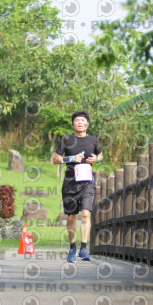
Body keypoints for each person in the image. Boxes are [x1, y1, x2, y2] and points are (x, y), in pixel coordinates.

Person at [52, 110, 103, 263]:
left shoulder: (93, 140)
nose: (80, 122)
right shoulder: (67, 139)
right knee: (72, 216)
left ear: (87, 123)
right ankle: (72, 247)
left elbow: (100, 155)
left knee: (86, 213)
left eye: (83, 120)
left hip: (87, 180)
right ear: (73, 124)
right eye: (77, 120)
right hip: (70, 181)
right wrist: (71, 158)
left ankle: (84, 248)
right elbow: (55, 159)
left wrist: (97, 160)